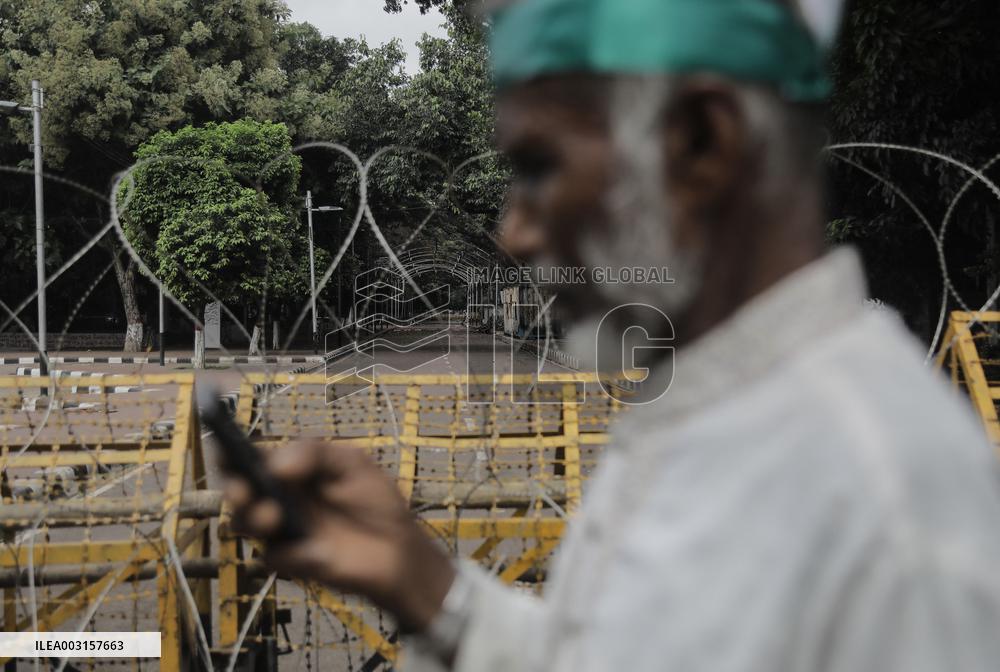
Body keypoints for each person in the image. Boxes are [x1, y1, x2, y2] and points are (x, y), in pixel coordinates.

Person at [226, 0, 1000, 670]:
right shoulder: (713, 415)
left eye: (538, 166)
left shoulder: (891, 518)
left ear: (701, 141)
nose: (515, 232)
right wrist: (428, 589)